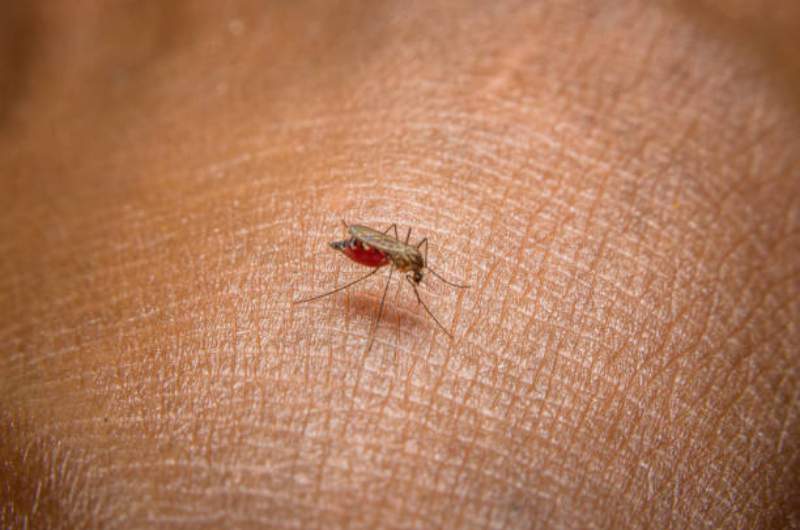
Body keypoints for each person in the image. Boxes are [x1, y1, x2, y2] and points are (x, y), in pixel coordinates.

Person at [1, 2, 798, 528]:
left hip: (375, 237)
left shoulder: (411, 263)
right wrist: (374, 254)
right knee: (365, 273)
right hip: (364, 241)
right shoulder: (387, 261)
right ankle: (334, 280)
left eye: (414, 272)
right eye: (415, 272)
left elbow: (414, 252)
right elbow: (389, 248)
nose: (413, 274)